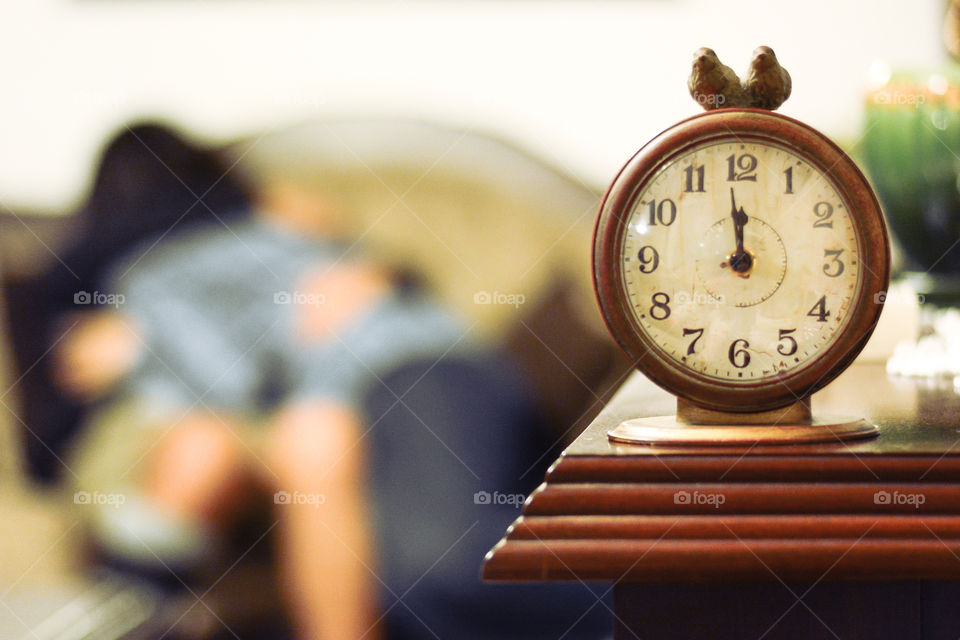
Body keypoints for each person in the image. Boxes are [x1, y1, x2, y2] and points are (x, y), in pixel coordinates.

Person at [10, 122, 610, 639]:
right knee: (397, 565)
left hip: (411, 371)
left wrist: (146, 346)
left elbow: (228, 376)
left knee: (439, 578)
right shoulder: (163, 274)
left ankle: (683, 602)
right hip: (353, 396)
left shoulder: (234, 242)